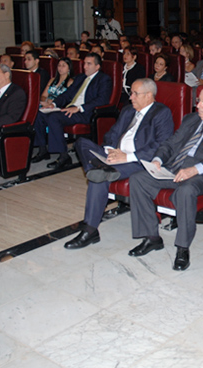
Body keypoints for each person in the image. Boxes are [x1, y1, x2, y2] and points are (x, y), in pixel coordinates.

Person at [128, 86, 203, 271]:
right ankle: (151, 238)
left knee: (186, 190)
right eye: (198, 101)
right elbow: (171, 144)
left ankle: (182, 248)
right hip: (174, 168)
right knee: (138, 179)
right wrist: (158, 160)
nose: (199, 106)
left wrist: (195, 170)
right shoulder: (190, 119)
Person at [64, 79, 174, 249]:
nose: (131, 97)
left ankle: (90, 230)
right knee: (82, 142)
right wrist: (109, 150)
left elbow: (161, 144)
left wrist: (127, 157)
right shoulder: (128, 110)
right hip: (114, 156)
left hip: (137, 161)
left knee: (99, 178)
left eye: (135, 94)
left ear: (149, 95)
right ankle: (97, 167)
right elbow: (112, 133)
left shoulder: (161, 112)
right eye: (131, 93)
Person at [33, 53, 112, 169]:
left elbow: (102, 100)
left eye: (89, 64)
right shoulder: (80, 78)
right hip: (71, 108)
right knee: (39, 114)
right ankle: (42, 149)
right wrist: (53, 104)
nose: (85, 66)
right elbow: (67, 94)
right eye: (84, 63)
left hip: (86, 112)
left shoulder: (104, 79)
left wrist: (79, 108)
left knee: (54, 118)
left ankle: (64, 156)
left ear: (97, 66)